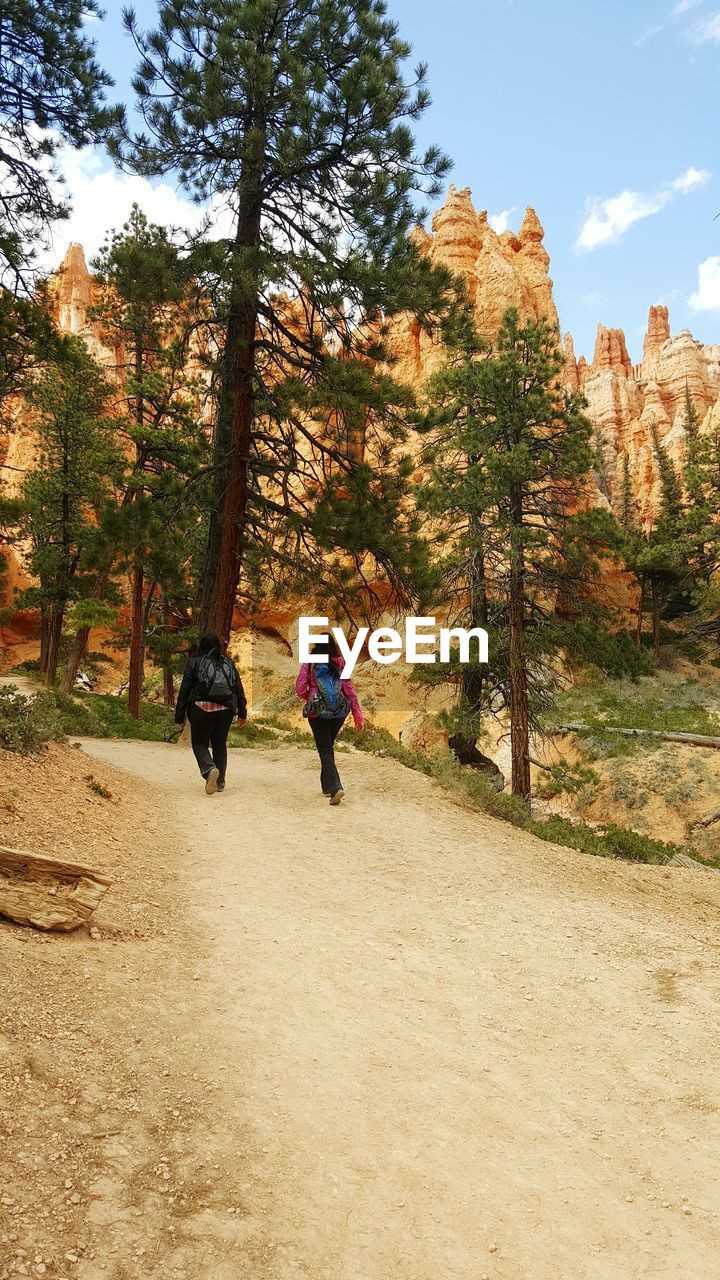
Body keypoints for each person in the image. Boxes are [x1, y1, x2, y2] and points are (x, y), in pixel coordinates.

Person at [175, 634, 247, 795]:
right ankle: (220, 782)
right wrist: (242, 712)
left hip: (201, 709)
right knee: (219, 744)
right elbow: (238, 689)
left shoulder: (194, 662)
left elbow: (185, 690)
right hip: (226, 710)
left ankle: (209, 769)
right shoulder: (228, 663)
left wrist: (179, 714)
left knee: (200, 744)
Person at [295, 635, 364, 805]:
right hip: (338, 713)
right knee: (327, 747)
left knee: (324, 749)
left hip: (317, 713)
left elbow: (300, 688)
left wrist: (311, 698)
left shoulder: (310, 663)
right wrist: (358, 716)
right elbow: (349, 691)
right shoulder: (341, 663)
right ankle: (326, 786)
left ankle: (336, 787)